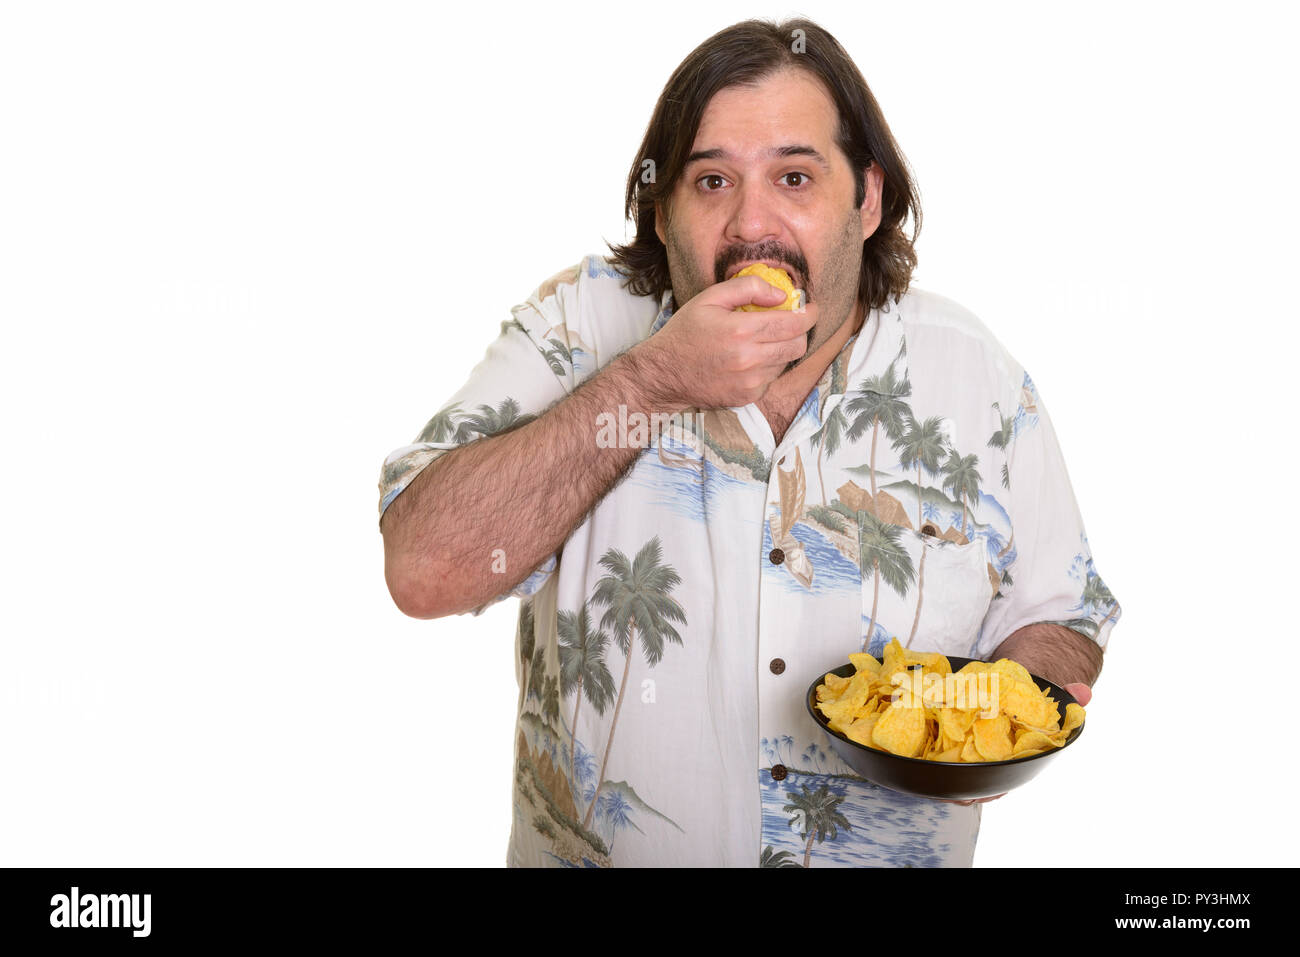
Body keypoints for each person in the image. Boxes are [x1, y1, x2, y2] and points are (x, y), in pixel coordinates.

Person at [377, 17, 1120, 867]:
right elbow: (423, 569)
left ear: (868, 199)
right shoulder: (582, 327)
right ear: (662, 211)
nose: (751, 223)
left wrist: (1003, 715)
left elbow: (1063, 611)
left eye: (795, 177)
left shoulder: (977, 375)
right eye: (713, 180)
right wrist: (654, 379)